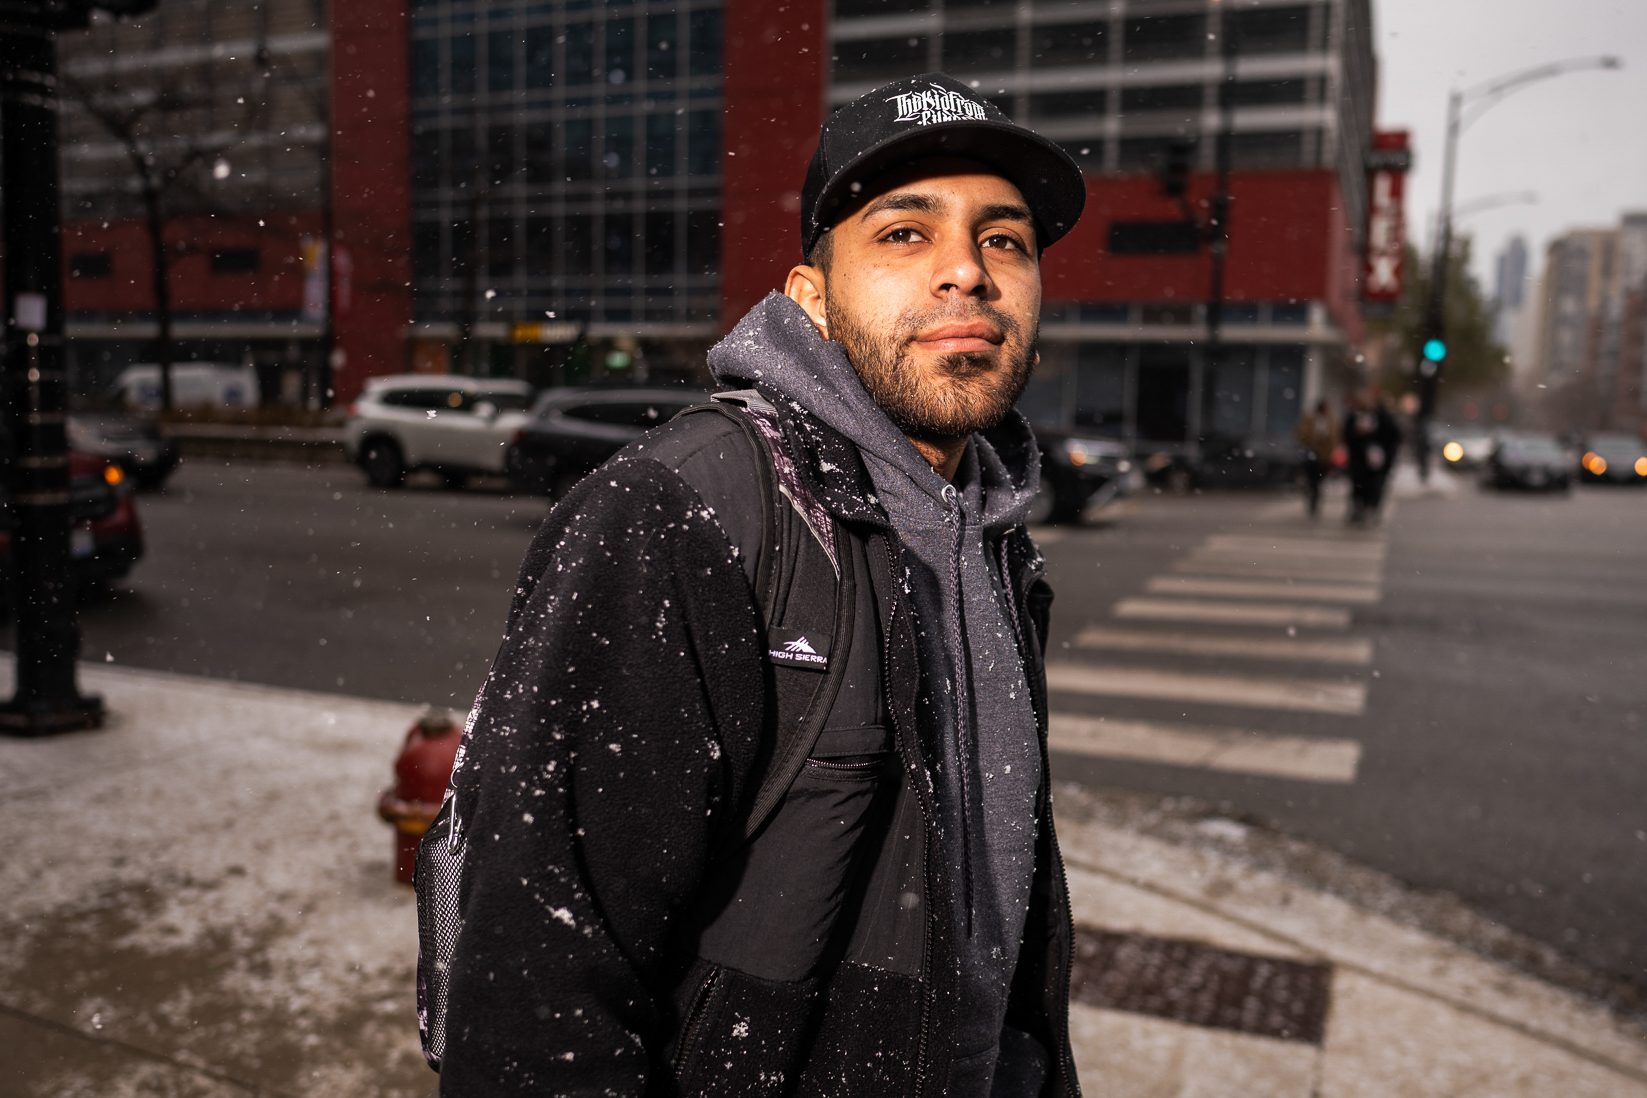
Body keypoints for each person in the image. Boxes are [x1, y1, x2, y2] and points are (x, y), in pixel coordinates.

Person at [421, 73, 1086, 1097]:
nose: (968, 271)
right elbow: (533, 986)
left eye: (1004, 240)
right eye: (905, 234)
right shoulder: (684, 511)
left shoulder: (996, 537)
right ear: (811, 300)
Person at [1342, 386, 1402, 524]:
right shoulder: (1355, 416)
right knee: (1358, 485)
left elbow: (1394, 436)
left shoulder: (1384, 418)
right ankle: (1359, 508)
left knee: (1375, 486)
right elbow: (1347, 435)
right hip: (1359, 460)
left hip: (1378, 462)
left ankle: (1371, 507)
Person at [1294, 398, 1340, 518]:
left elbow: (1334, 438)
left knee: (1318, 482)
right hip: (1311, 454)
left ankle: (1315, 499)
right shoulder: (1309, 420)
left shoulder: (1331, 421)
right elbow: (1301, 434)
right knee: (1311, 480)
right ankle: (1312, 499)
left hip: (1323, 457)